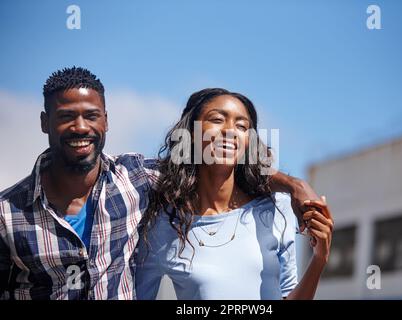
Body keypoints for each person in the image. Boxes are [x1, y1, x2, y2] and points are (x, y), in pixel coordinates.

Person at [0, 68, 326, 300]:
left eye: (92, 116)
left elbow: (221, 166)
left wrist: (295, 186)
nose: (80, 127)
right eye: (66, 116)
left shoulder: (134, 178)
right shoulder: (7, 214)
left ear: (106, 121)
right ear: (45, 122)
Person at [135, 88, 333, 300]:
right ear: (191, 133)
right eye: (218, 119)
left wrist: (319, 259)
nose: (230, 131)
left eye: (241, 126)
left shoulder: (276, 208)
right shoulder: (164, 225)